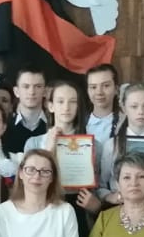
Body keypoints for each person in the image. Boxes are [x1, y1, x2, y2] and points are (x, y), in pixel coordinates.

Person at [25, 80, 101, 227]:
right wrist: (49, 149)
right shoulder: (33, 143)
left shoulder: (93, 145)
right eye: (60, 101)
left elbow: (99, 186)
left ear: (78, 106)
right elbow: (30, 185)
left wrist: (96, 205)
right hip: (45, 208)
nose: (66, 107)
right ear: (51, 106)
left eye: (72, 102)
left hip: (81, 208)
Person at [3, 67, 48, 154]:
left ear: (45, 91)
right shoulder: (4, 128)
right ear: (16, 91)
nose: (32, 92)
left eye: (38, 86)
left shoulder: (54, 126)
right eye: (26, 86)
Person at [85, 63, 119, 145]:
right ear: (87, 91)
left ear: (116, 89)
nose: (99, 92)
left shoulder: (126, 123)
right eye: (93, 87)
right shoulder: (78, 124)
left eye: (106, 86)